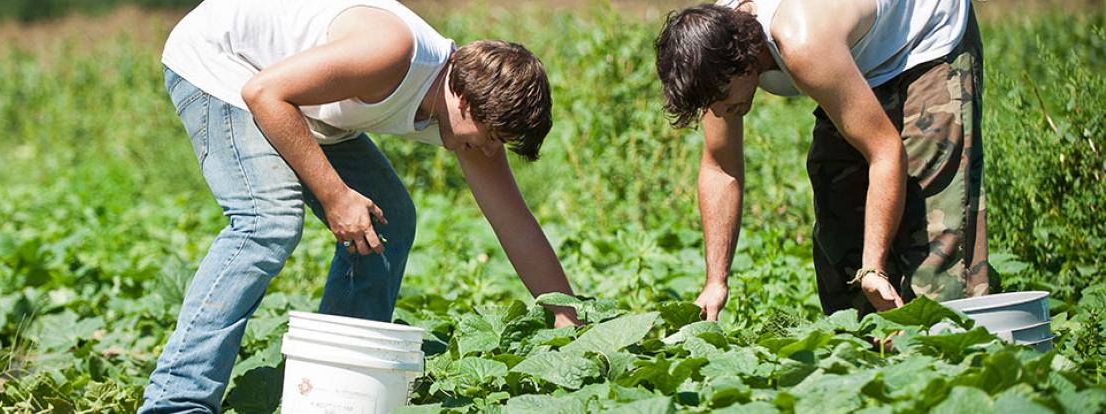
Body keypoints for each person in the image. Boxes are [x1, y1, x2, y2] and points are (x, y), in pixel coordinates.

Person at [142, 0, 581, 411]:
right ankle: (177, 398)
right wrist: (336, 197)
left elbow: (515, 224)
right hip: (224, 65)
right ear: (463, 101)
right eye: (488, 139)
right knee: (268, 221)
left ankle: (337, 388)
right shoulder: (392, 54)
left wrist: (569, 320)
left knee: (388, 219)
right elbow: (264, 94)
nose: (487, 152)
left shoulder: (467, 116)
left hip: (296, 99)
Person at [654, 0, 996, 320]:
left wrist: (874, 267)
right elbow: (720, 167)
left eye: (720, 101)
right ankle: (871, 360)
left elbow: (885, 152)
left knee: (934, 234)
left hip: (924, 41)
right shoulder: (715, 51)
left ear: (743, 63)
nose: (718, 112)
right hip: (852, 54)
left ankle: (949, 352)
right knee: (840, 225)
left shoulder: (801, 42)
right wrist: (716, 282)